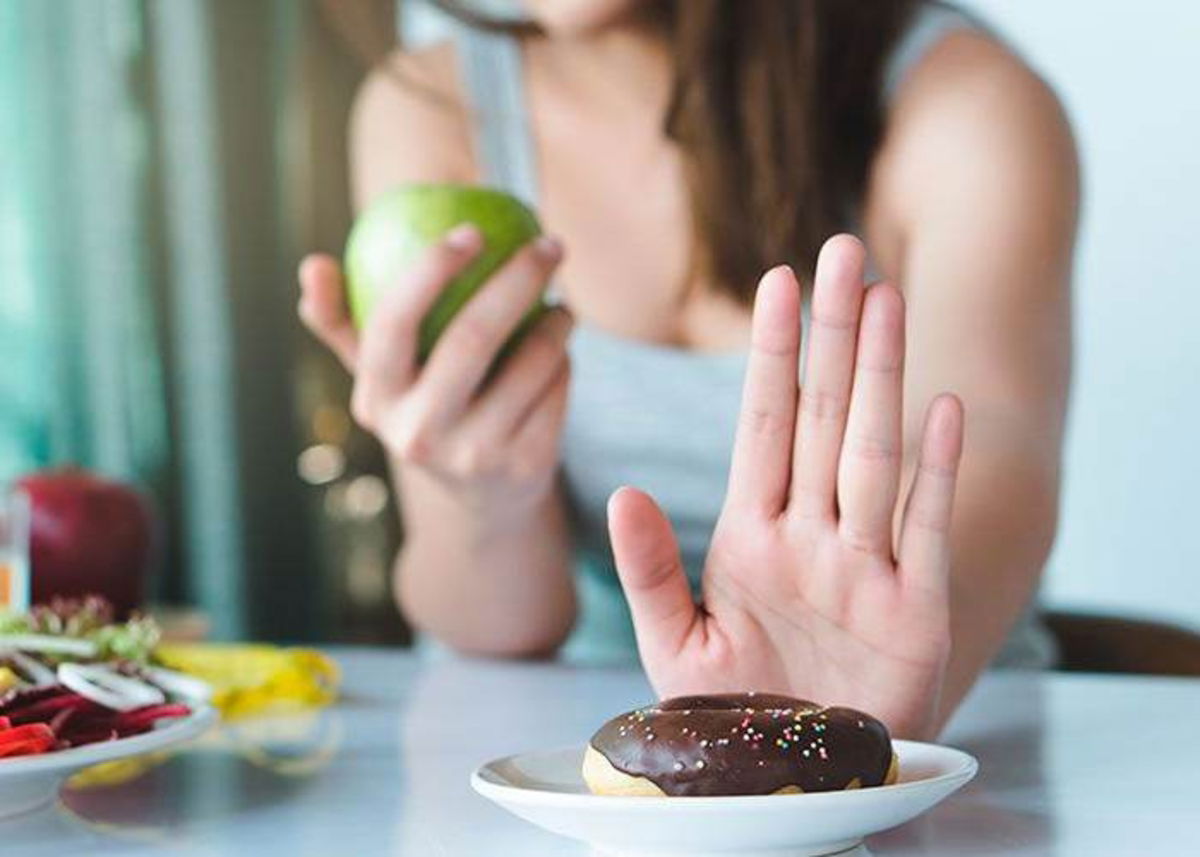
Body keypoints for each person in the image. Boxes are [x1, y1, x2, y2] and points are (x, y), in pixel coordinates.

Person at [299, 0, 1077, 739]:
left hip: (940, 746)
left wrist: (857, 703)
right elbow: (505, 632)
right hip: (584, 768)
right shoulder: (429, 107)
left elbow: (997, 462)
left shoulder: (966, 104)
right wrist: (479, 496)